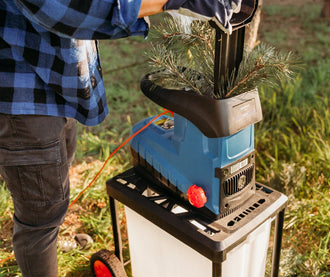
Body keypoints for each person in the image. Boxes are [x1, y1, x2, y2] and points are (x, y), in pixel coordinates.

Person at [0, 0, 242, 276]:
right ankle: (41, 241)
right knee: (40, 214)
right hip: (21, 95)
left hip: (51, 81)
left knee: (54, 182)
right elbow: (70, 9)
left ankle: (48, 237)